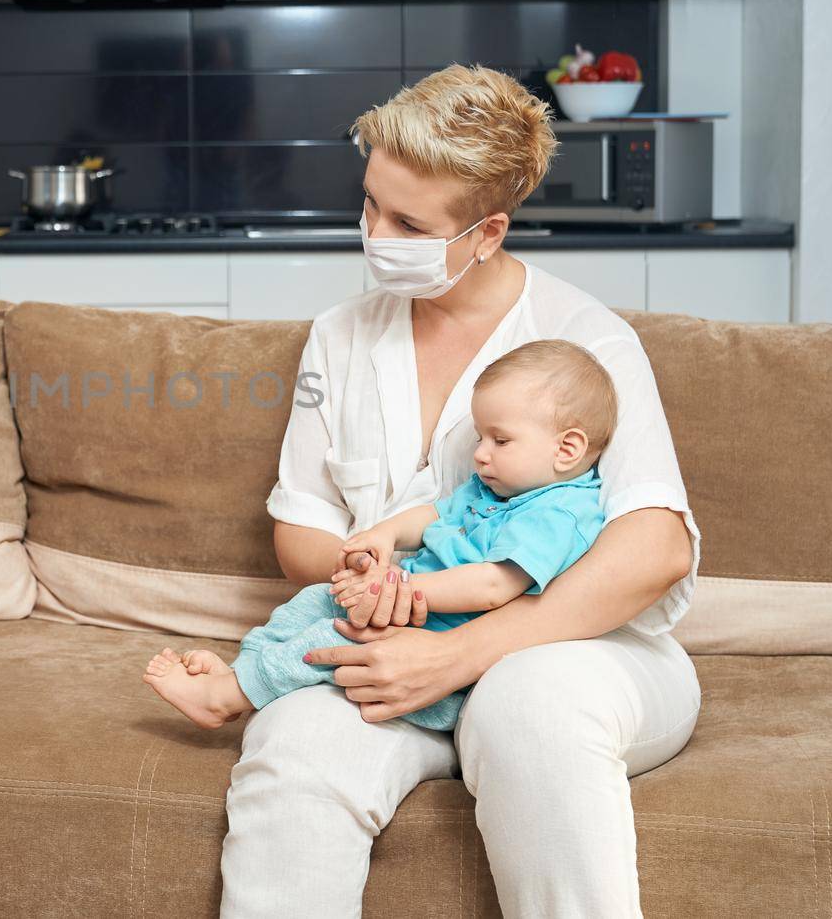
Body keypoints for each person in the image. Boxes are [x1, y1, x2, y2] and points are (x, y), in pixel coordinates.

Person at [220, 65, 702, 918]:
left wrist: (462, 651)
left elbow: (654, 546)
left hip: (577, 651)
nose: (374, 233)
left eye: (408, 222)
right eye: (370, 203)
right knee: (291, 742)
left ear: (487, 232)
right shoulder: (337, 339)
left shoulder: (586, 338)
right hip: (394, 650)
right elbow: (302, 536)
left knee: (527, 705)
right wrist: (379, 582)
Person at [144, 339, 615, 732]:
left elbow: (494, 587)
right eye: (480, 439)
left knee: (328, 637)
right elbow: (434, 513)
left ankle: (223, 699)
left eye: (500, 440)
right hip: (407, 609)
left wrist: (401, 587)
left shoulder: (559, 513)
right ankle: (239, 677)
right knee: (313, 601)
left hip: (437, 655)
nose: (481, 455)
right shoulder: (498, 485)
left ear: (567, 448)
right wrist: (385, 534)